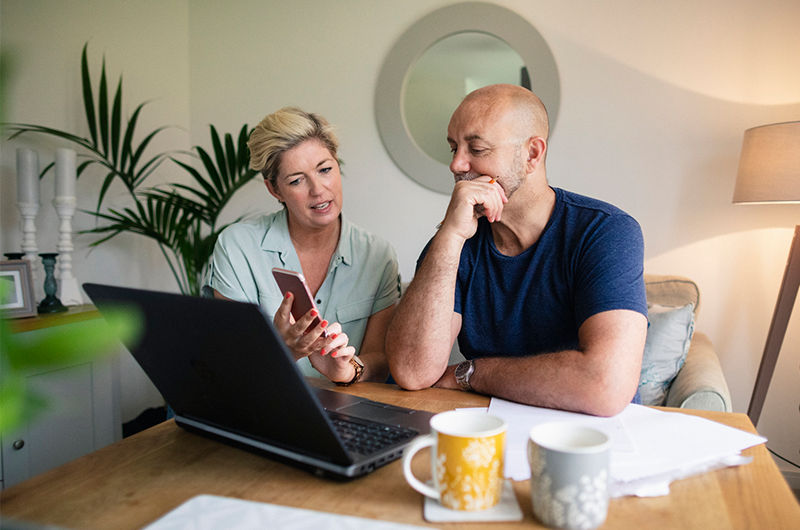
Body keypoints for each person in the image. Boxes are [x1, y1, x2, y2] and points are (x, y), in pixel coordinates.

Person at [386, 84, 648, 416]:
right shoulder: (456, 240)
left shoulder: (606, 232)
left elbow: (605, 386)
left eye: (477, 149)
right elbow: (411, 371)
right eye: (453, 148)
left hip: (592, 441)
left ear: (532, 154)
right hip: (490, 434)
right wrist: (450, 236)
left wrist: (472, 373)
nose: (456, 164)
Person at [207, 107, 399, 385]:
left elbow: (379, 361)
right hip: (265, 407)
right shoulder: (238, 246)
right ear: (275, 190)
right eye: (296, 180)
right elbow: (230, 362)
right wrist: (284, 350)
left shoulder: (378, 255)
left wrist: (347, 371)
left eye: (325, 170)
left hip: (347, 412)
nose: (318, 189)